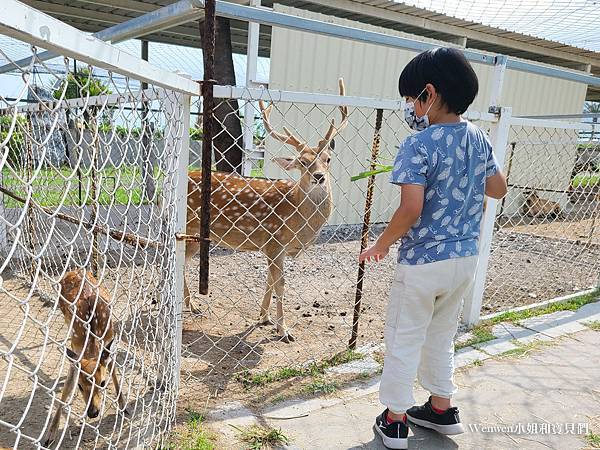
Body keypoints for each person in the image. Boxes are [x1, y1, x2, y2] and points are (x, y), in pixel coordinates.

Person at [359, 47, 508, 449]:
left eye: (410, 99)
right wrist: (471, 167)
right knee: (441, 335)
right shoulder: (477, 137)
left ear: (429, 93)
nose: (409, 108)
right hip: (463, 260)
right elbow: (498, 188)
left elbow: (411, 208)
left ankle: (394, 420)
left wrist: (381, 244)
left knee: (403, 337)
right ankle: (441, 410)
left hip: (424, 261)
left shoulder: (418, 144)